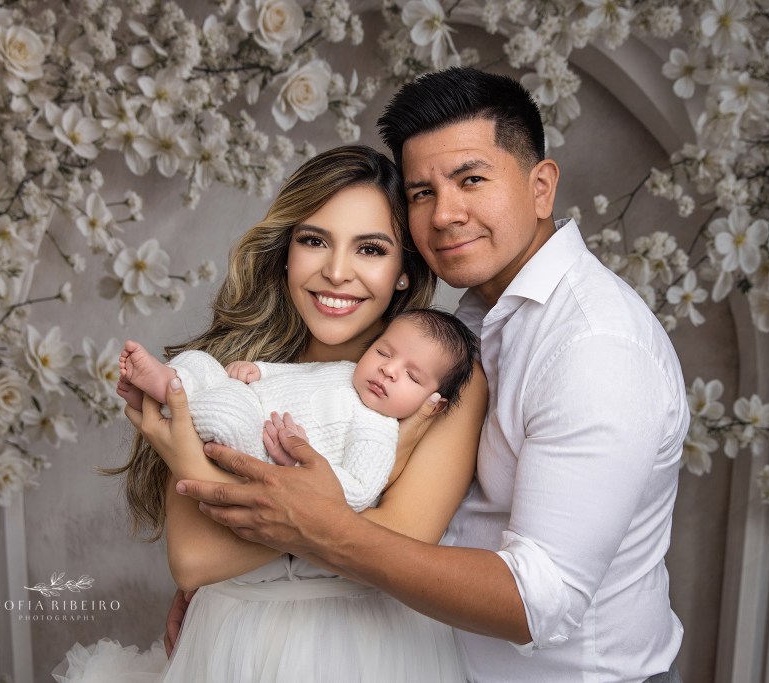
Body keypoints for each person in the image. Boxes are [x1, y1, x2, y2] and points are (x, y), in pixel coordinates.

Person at [171, 68, 688, 682]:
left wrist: (321, 530)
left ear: (541, 186)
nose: (445, 214)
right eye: (421, 193)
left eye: (472, 179)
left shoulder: (595, 346)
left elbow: (538, 601)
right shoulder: (462, 323)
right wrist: (241, 594)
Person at [52, 145, 487, 682]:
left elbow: (403, 541)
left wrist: (184, 451)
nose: (336, 272)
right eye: (313, 241)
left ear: (403, 271)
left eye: (370, 249)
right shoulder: (234, 378)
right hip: (232, 648)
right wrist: (337, 525)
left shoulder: (440, 383)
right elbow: (194, 560)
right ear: (286, 253)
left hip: (370, 653)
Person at [115, 307, 478, 511]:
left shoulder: (378, 429)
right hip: (248, 396)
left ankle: (165, 395)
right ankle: (159, 389)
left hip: (257, 448)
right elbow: (303, 374)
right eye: (384, 352)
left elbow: (358, 491)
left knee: (226, 413)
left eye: (412, 376)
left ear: (434, 401)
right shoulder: (347, 372)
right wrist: (261, 370)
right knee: (201, 363)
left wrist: (300, 465)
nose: (388, 369)